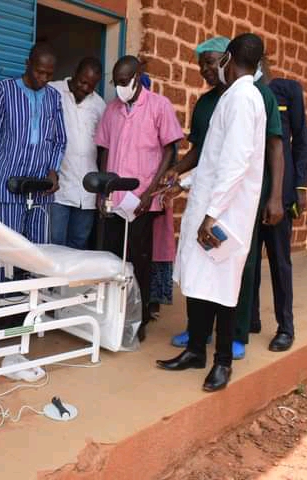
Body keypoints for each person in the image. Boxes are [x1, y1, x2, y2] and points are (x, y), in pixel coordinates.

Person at [156, 33, 267, 392]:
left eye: (217, 60)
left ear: (229, 58)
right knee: (201, 285)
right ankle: (195, 351)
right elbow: (213, 161)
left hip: (224, 216)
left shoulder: (244, 98)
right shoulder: (233, 96)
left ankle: (221, 363)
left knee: (222, 290)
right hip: (213, 205)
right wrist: (184, 185)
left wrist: (211, 214)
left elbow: (235, 165)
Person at [94, 55, 184, 341]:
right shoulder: (112, 110)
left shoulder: (159, 106)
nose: (120, 87)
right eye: (116, 82)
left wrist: (149, 193)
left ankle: (139, 318)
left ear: (137, 77)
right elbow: (104, 150)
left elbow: (169, 151)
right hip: (115, 198)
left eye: (124, 81)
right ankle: (113, 315)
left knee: (138, 259)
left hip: (143, 201)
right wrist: (103, 190)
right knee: (112, 258)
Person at [249, 59, 307, 352]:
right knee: (248, 263)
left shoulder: (287, 90)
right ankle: (250, 319)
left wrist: (298, 187)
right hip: (249, 193)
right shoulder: (244, 92)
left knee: (279, 262)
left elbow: (300, 141)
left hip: (279, 194)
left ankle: (286, 327)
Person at [0, 43, 67, 245]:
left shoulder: (54, 97)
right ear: (27, 64)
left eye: (49, 74)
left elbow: (61, 139)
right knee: (7, 252)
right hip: (9, 185)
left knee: (40, 254)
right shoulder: (3, 90)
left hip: (42, 188)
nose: (44, 79)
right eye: (39, 72)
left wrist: (53, 170)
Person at [48, 57, 106, 249]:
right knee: (54, 245)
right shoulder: (53, 91)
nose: (85, 88)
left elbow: (104, 146)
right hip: (59, 188)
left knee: (79, 245)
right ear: (75, 72)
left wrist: (102, 188)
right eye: (82, 81)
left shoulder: (99, 105)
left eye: (91, 85)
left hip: (87, 191)